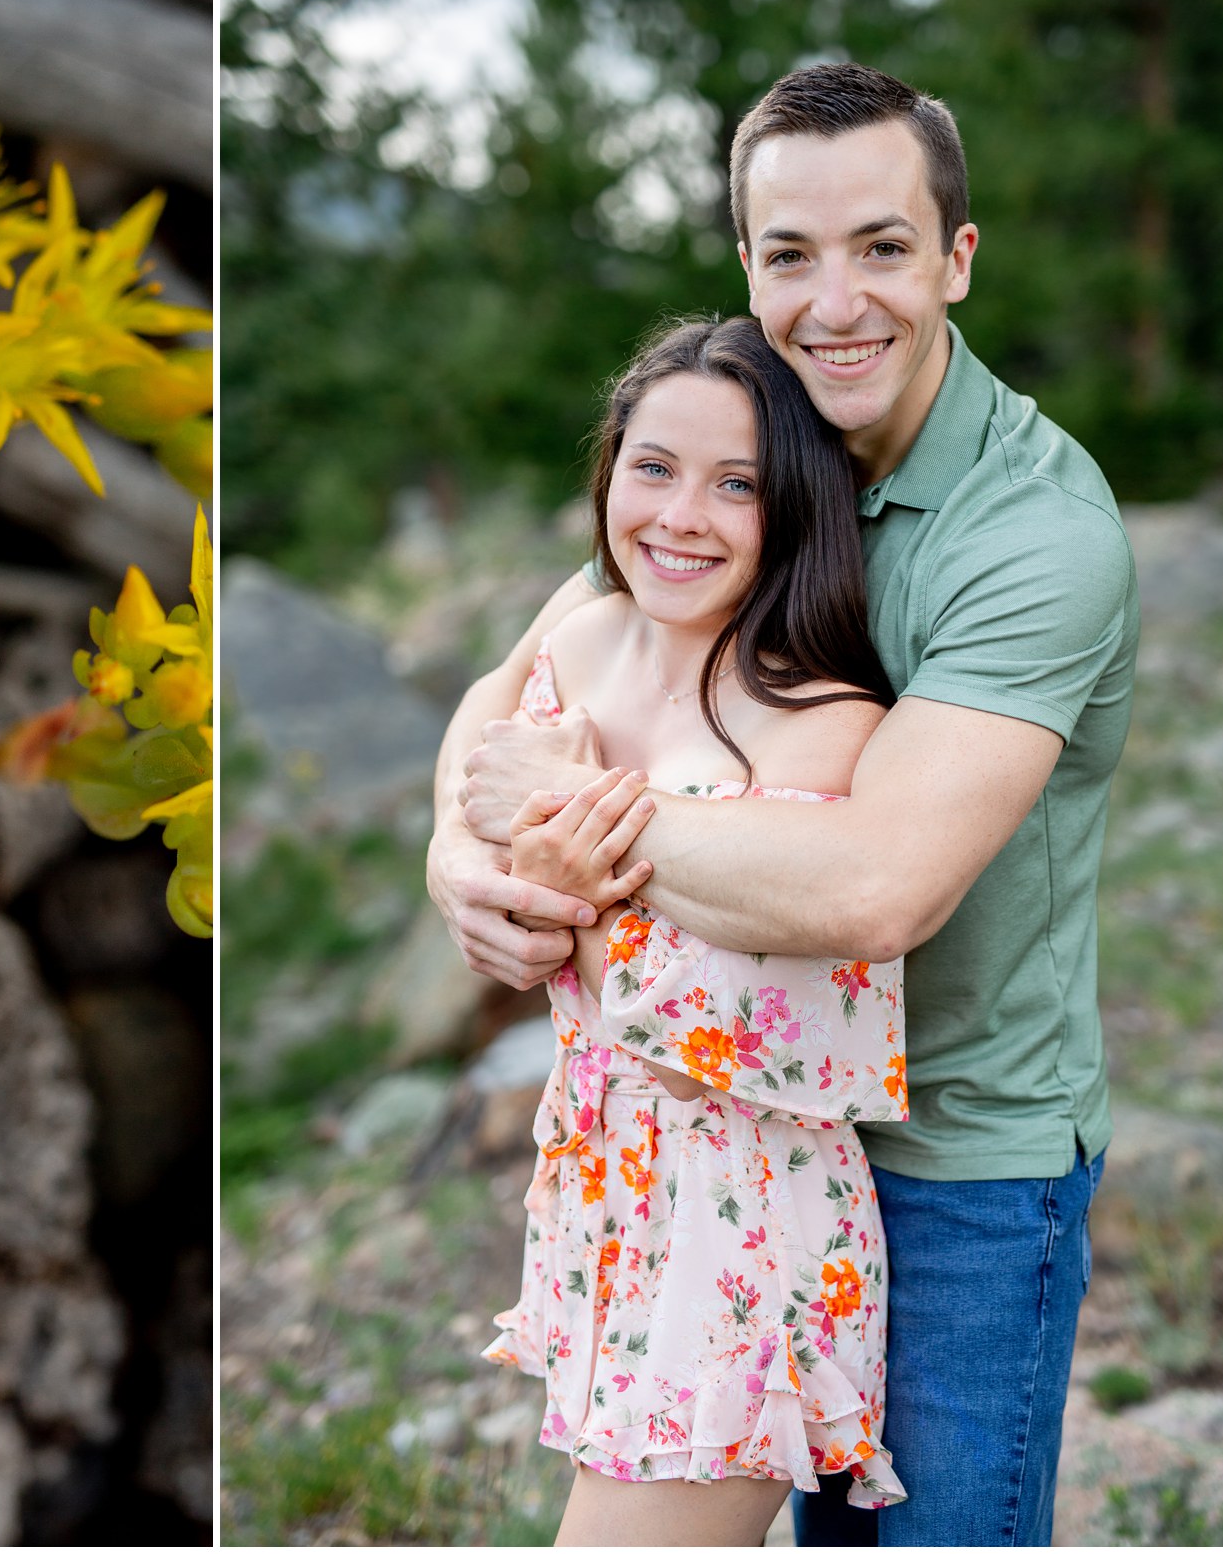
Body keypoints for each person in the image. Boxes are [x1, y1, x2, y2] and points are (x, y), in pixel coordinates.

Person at [430, 63, 1138, 1547]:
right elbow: (522, 678)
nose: (836, 300)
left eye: (882, 247)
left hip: (953, 1155)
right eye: (788, 254)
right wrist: (458, 846)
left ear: (955, 257)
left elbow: (873, 885)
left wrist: (575, 815)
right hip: (713, 1141)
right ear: (744, 264)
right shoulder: (749, 462)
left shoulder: (1033, 532)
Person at [482, 313, 909, 1547]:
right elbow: (500, 847)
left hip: (744, 1218)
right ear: (609, 464)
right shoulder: (576, 644)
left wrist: (571, 877)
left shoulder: (820, 713)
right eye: (653, 465)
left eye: (738, 484)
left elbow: (768, 1030)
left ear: (794, 508)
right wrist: (542, 884)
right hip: (600, 1187)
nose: (681, 515)